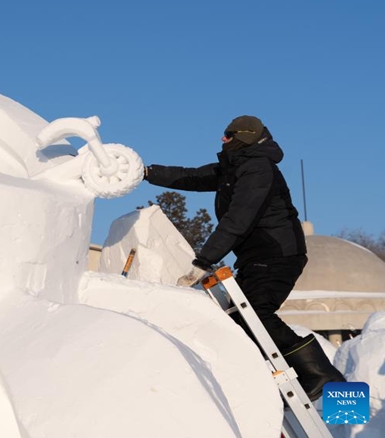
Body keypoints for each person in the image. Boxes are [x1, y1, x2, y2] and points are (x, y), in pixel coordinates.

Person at [143, 115, 344, 401]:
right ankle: (277, 377)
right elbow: (190, 176)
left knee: (257, 312)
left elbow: (239, 219)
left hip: (277, 253)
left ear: (244, 137)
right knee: (239, 316)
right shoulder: (235, 168)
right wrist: (147, 172)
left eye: (228, 134)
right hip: (256, 256)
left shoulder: (257, 169)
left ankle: (320, 375)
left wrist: (204, 260)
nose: (222, 139)